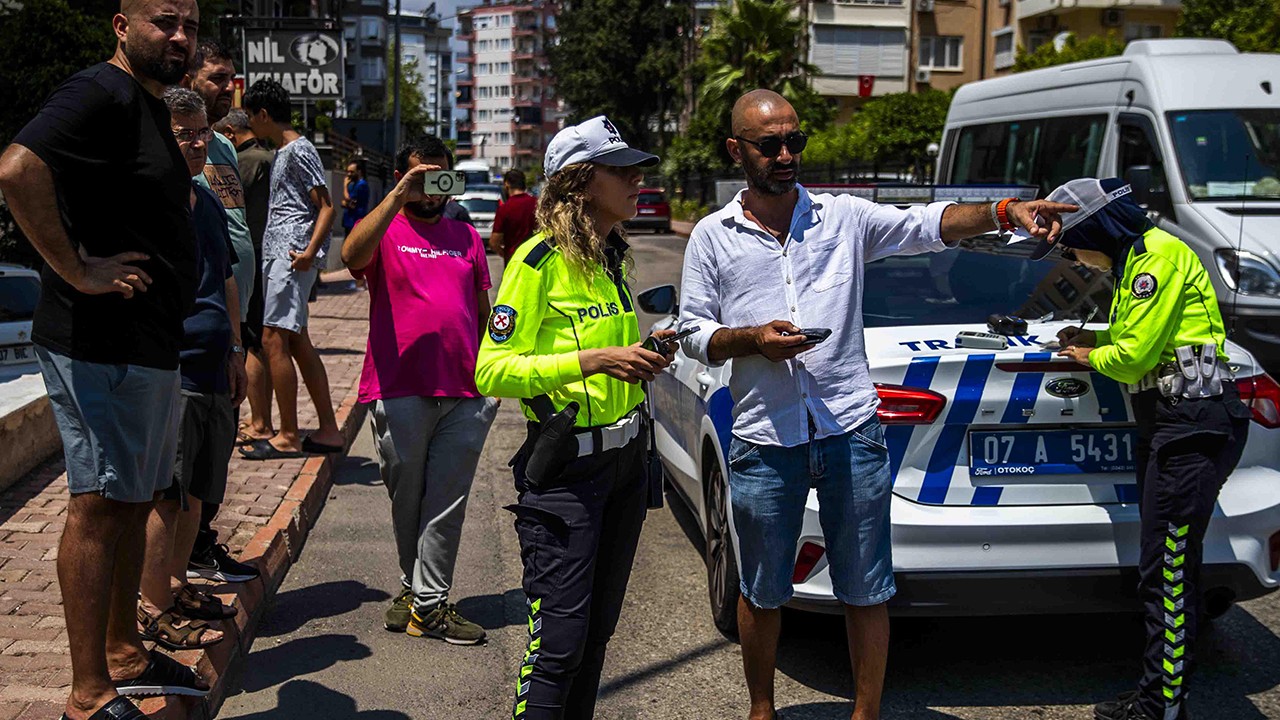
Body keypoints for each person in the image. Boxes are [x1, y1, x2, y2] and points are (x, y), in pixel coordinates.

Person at [675, 89, 1075, 720]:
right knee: (762, 588)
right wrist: (752, 340)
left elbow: (929, 223)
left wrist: (1004, 209)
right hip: (762, 434)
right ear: (736, 150)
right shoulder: (711, 237)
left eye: (795, 141)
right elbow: (691, 331)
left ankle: (866, 714)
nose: (786, 154)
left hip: (850, 429)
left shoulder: (842, 218)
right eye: (769, 144)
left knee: (866, 587)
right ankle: (761, 709)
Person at [0, 0, 211, 716]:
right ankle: (88, 695)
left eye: (189, 24)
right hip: (100, 343)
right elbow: (17, 168)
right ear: (121, 26)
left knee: (127, 503)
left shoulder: (150, 106)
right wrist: (75, 269)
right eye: (164, 21)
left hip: (147, 343)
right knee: (97, 506)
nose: (179, 36)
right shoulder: (101, 90)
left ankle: (124, 650)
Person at [1028, 178, 1252, 720]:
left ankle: (1161, 705)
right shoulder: (1139, 261)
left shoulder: (1156, 260)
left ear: (1094, 228)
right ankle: (1161, 694)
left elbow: (1132, 359)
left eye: (1068, 244)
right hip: (1177, 417)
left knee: (1167, 571)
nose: (1071, 257)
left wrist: (1088, 357)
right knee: (1165, 567)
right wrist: (1093, 342)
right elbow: (1146, 341)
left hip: (1192, 421)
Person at [475, 115, 673, 720]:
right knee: (557, 647)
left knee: (596, 637)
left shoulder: (612, 254)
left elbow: (611, 362)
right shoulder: (537, 262)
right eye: (622, 170)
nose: (637, 179)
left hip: (624, 467)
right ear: (581, 181)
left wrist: (644, 353)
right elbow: (491, 370)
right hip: (566, 479)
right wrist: (591, 359)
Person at [341, 134, 499, 642]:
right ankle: (414, 589)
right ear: (405, 178)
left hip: (464, 390)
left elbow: (481, 313)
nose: (434, 187)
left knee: (446, 501)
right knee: (407, 498)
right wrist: (396, 198)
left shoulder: (466, 236)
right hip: (399, 386)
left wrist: (492, 380)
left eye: (440, 176)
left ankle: (429, 604)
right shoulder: (386, 230)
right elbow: (350, 255)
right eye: (422, 176)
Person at [136, 87, 244, 653]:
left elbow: (225, 278)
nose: (199, 142)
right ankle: (152, 607)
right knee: (167, 493)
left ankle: (176, 586)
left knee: (199, 488)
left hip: (212, 364)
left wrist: (236, 347)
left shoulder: (205, 202)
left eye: (204, 131)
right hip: (170, 370)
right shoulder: (150, 203)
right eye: (185, 133)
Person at [183, 41, 263, 586]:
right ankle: (183, 559)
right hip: (195, 317)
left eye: (231, 79)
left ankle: (202, 542)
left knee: (218, 445)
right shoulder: (179, 148)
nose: (225, 89)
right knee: (186, 459)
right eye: (215, 78)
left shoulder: (222, 148)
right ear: (188, 78)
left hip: (230, 315)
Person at [240, 78, 345, 460]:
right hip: (283, 256)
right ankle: (329, 430)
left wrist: (308, 253)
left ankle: (287, 434)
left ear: (263, 114)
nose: (252, 125)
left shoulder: (298, 150)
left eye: (252, 117)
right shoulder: (286, 150)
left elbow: (327, 206)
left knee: (272, 339)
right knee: (297, 341)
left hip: (291, 256)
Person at [490, 168, 538, 262]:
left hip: (513, 261)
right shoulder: (537, 204)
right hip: (536, 261)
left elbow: (494, 242)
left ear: (507, 184)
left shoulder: (505, 209)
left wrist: (505, 254)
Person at [341, 158, 371, 235]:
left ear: (359, 172)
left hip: (355, 221)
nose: (349, 174)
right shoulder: (353, 184)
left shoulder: (361, 185)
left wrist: (344, 186)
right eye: (348, 172)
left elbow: (349, 200)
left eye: (352, 172)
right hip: (349, 221)